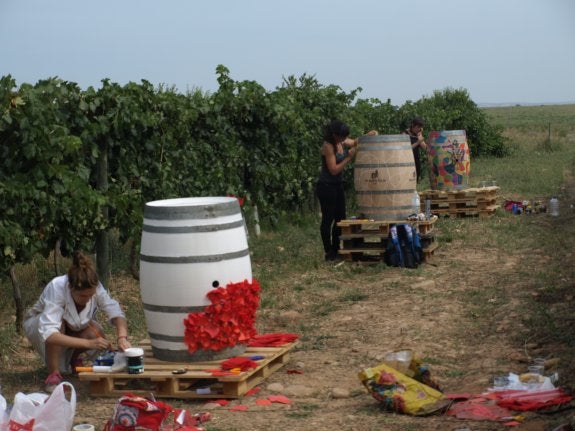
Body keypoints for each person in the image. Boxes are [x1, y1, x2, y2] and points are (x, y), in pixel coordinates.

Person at [23, 250, 131, 392]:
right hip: (39, 325)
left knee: (96, 333)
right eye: (82, 296)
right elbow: (49, 333)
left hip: (72, 325)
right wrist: (89, 343)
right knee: (59, 325)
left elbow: (116, 312)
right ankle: (54, 373)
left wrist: (122, 337)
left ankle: (73, 360)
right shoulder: (57, 287)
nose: (87, 299)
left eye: (90, 295)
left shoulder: (96, 287)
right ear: (71, 288)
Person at [315, 119, 359, 261]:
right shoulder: (328, 146)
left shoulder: (342, 141)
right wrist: (348, 158)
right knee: (328, 220)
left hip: (337, 185)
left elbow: (354, 142)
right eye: (342, 136)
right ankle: (328, 252)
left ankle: (336, 249)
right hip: (326, 186)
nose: (344, 139)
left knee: (340, 218)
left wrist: (368, 136)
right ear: (335, 135)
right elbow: (333, 170)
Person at [403, 117, 428, 183]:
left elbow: (425, 148)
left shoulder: (418, 134)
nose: (418, 129)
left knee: (416, 178)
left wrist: (420, 137)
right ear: (412, 125)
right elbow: (406, 149)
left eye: (420, 128)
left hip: (416, 159)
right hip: (407, 159)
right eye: (417, 127)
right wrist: (418, 142)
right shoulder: (405, 134)